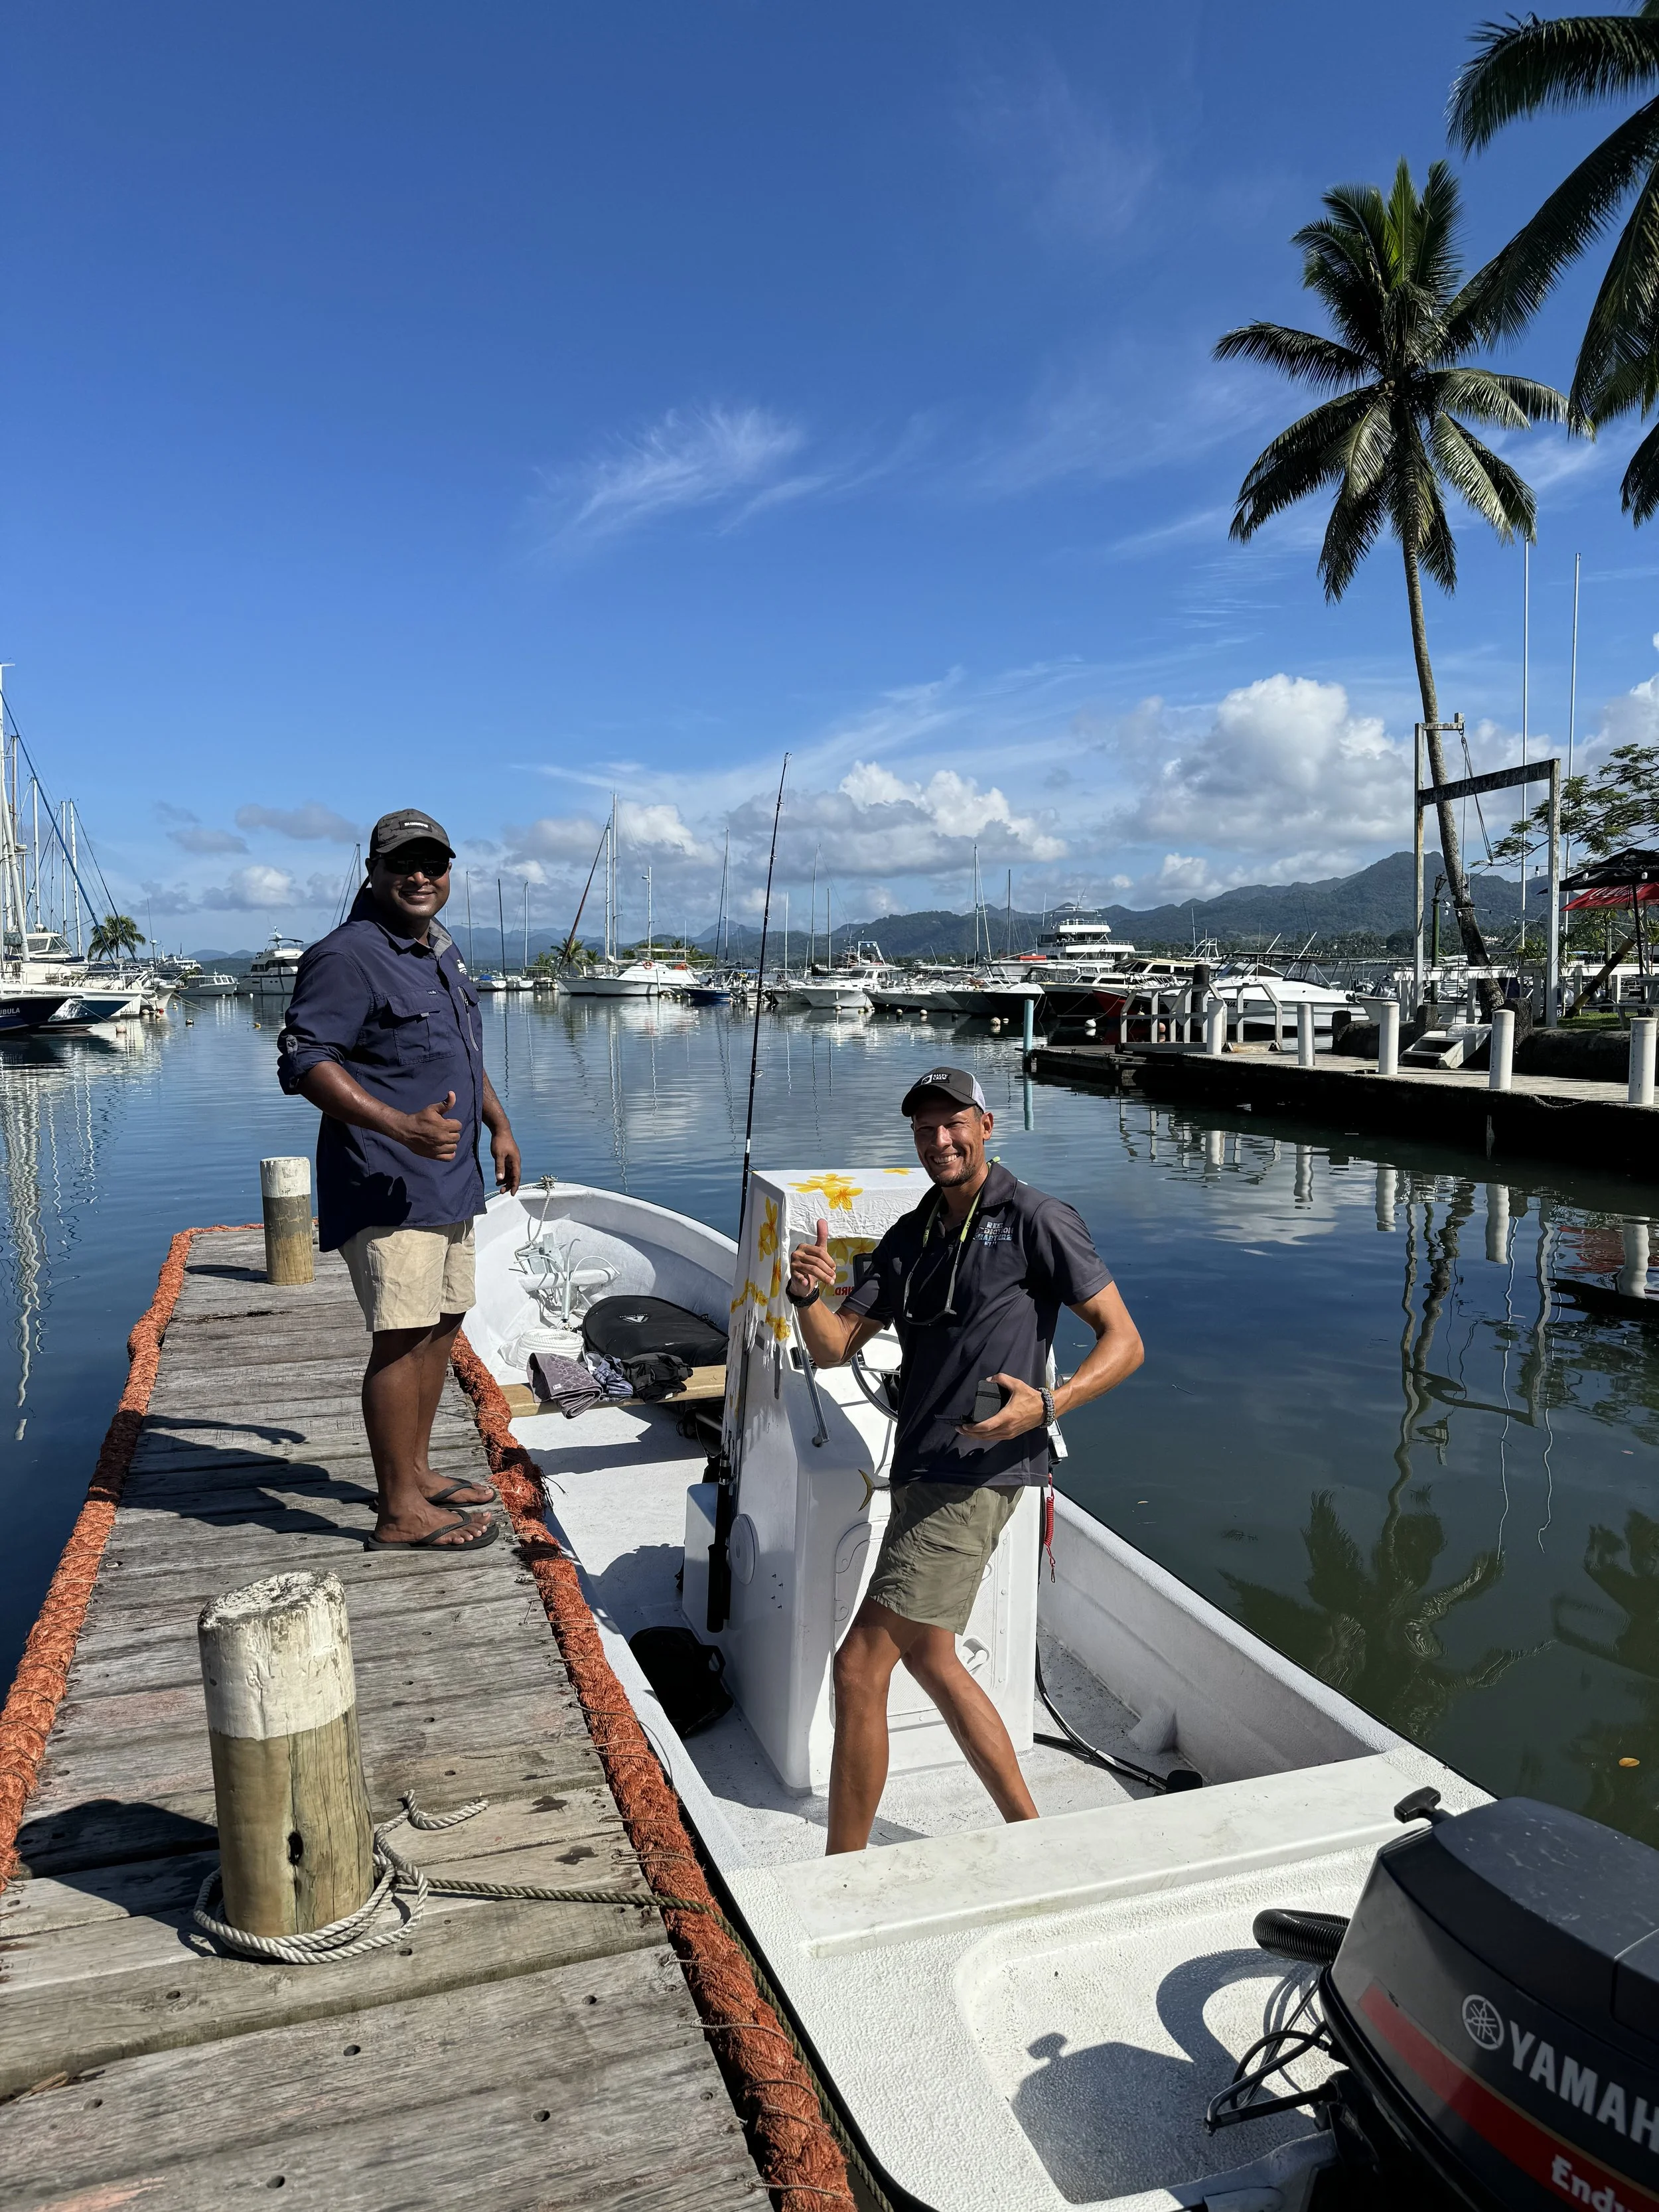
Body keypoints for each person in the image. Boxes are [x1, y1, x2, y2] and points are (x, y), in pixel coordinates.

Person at [786, 1065, 1143, 1852]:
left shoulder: (1035, 1218)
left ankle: (840, 1872)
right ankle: (1029, 1834)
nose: (939, 1140)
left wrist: (1049, 1405)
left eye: (953, 1124)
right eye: (924, 1129)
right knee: (933, 1662)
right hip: (919, 1468)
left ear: (987, 1126)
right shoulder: (911, 1234)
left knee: (858, 1668)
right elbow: (835, 1349)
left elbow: (1124, 1342)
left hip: (975, 1476)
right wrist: (806, 1296)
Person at [278, 808, 522, 1553]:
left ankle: (414, 1473)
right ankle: (398, 1513)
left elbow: (463, 1055)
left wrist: (498, 1125)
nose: (420, 876)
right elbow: (304, 1062)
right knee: (400, 1336)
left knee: (441, 1326)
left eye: (434, 863)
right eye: (402, 864)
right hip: (386, 1180)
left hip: (450, 1179)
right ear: (373, 873)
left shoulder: (436, 950)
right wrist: (399, 1125)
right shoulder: (347, 956)